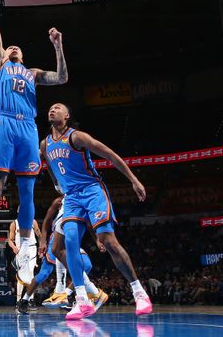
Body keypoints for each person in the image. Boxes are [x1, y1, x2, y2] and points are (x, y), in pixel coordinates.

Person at [0, 0, 68, 285]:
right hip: (4, 122)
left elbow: (62, 78)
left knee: (27, 192)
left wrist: (58, 46)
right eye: (10, 46)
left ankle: (26, 251)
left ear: (23, 55)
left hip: (28, 127)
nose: (12, 47)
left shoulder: (33, 72)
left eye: (17, 47)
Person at [42, 103, 151, 320]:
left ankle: (139, 292)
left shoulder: (77, 137)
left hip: (92, 191)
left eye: (58, 107)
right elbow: (52, 169)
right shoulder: (45, 144)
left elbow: (109, 154)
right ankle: (82, 300)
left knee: (108, 241)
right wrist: (57, 185)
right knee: (70, 240)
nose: (52, 110)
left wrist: (134, 180)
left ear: (67, 115)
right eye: (50, 108)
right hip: (71, 197)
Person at [16, 196, 107, 315]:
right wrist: (43, 241)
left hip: (70, 239)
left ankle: (67, 294)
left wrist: (97, 240)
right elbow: (47, 222)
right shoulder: (59, 201)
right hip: (56, 239)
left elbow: (89, 224)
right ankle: (24, 300)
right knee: (44, 273)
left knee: (87, 265)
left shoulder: (82, 200)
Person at [8, 216, 43, 304]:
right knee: (21, 274)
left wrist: (41, 247)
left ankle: (30, 299)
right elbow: (10, 240)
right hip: (20, 249)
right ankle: (19, 300)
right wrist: (13, 247)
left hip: (31, 248)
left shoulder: (33, 221)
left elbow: (39, 235)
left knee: (30, 272)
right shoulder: (14, 223)